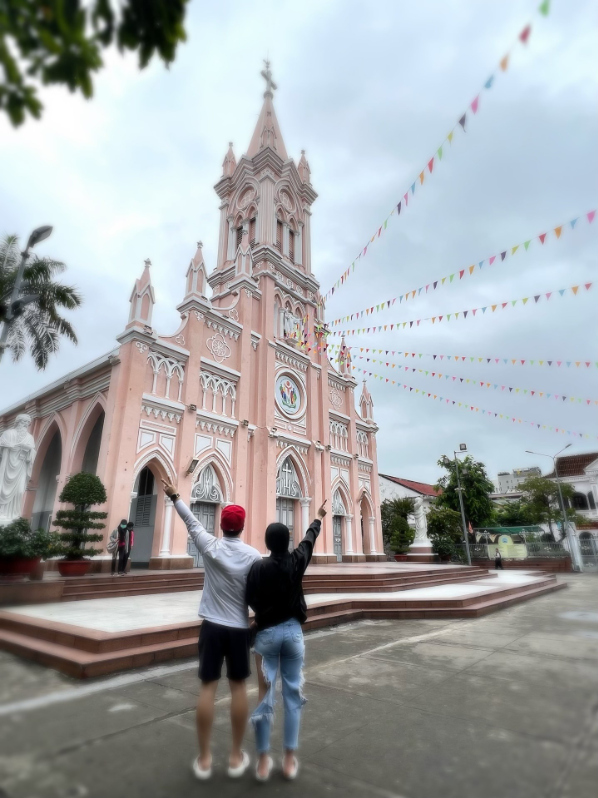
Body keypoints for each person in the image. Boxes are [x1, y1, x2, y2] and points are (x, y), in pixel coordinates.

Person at [161, 478, 261, 781]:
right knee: (238, 687)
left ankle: (204, 759)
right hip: (239, 629)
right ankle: (234, 756)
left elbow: (190, 521)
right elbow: (260, 592)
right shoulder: (253, 556)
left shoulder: (210, 546)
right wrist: (258, 619)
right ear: (242, 527)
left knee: (207, 688)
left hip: (212, 627)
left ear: (221, 525)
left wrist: (175, 495)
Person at [246, 499, 328, 782]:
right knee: (292, 695)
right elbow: (309, 540)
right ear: (287, 542)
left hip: (266, 634)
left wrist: (260, 618)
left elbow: (250, 598)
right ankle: (289, 758)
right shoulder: (296, 561)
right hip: (293, 633)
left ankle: (263, 761)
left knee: (264, 695)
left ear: (268, 543)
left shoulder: (258, 567)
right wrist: (318, 517)